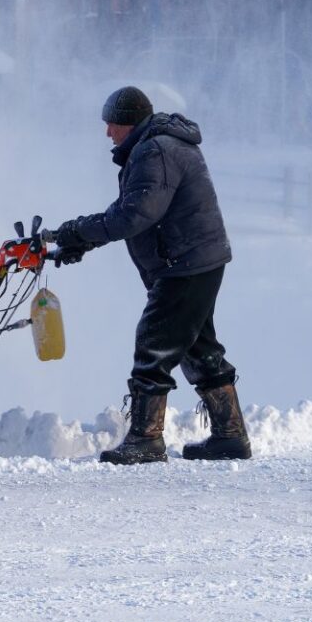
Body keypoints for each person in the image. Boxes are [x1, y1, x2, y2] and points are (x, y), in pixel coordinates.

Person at [54, 86, 252, 465]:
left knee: (154, 344)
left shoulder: (156, 151)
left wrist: (78, 231)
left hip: (185, 263)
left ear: (129, 122)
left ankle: (146, 438)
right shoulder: (157, 146)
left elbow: (134, 215)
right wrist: (82, 240)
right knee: (198, 348)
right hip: (195, 259)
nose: (107, 132)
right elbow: (132, 210)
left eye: (112, 124)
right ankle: (230, 436)